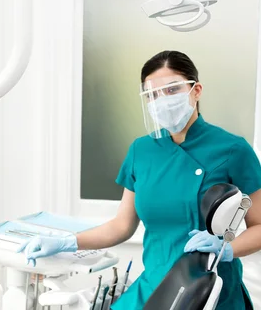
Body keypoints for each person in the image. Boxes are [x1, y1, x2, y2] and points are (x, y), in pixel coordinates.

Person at [18, 50, 261, 309]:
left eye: (172, 90)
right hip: (155, 283)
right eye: (153, 95)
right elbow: (121, 226)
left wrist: (227, 249)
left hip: (209, 290)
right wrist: (67, 242)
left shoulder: (233, 149)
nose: (162, 100)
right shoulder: (141, 151)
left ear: (196, 90)